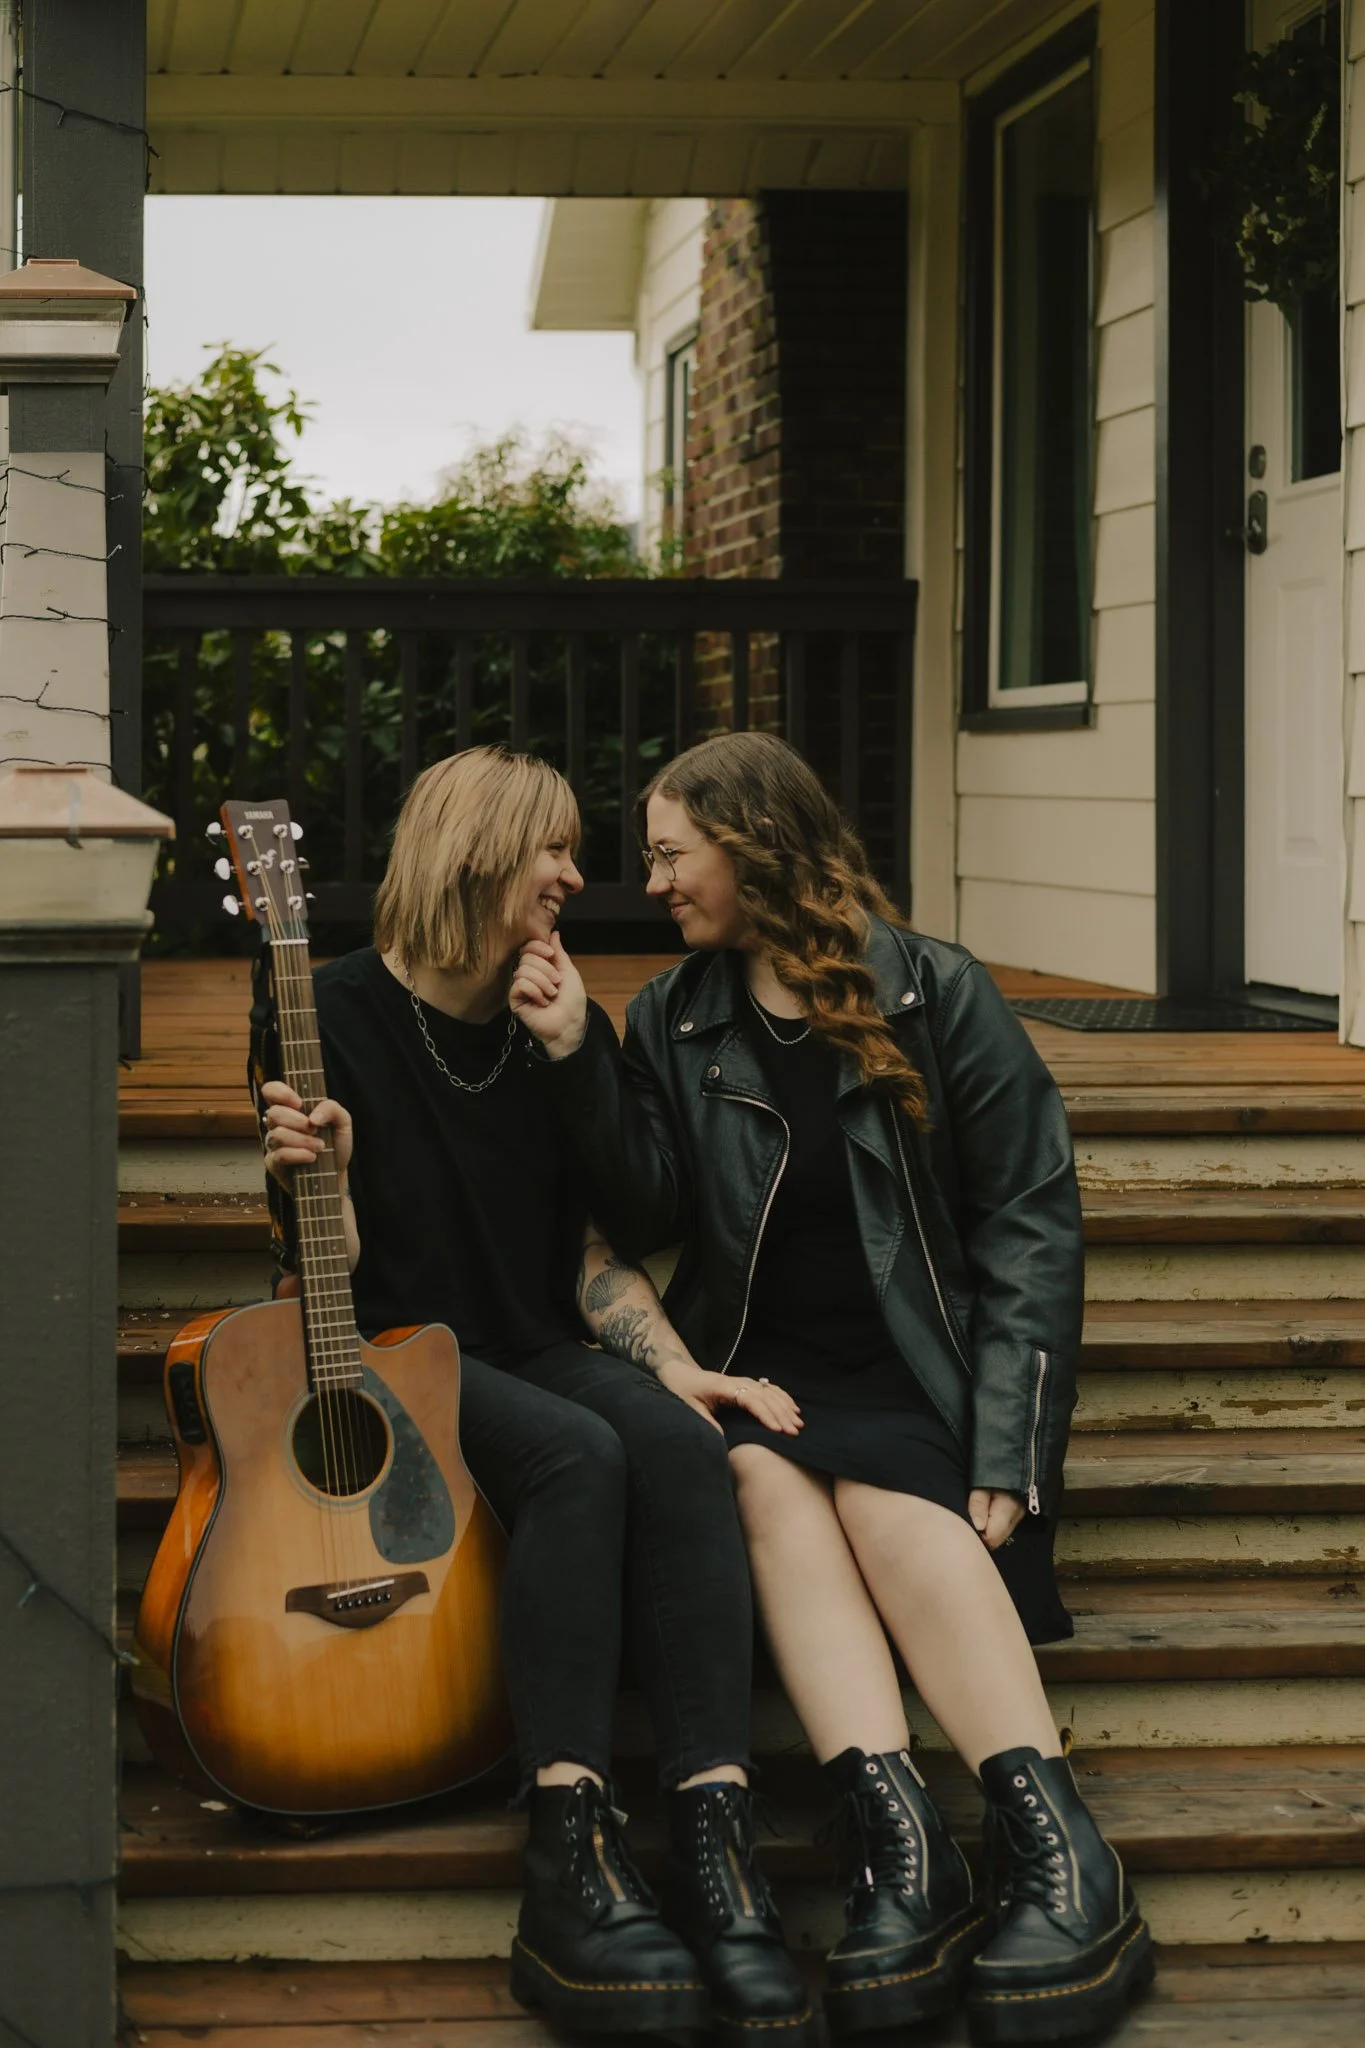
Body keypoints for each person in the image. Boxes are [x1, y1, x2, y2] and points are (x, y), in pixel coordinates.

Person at [513, 730, 1154, 2046]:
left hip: (918, 1374)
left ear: (749, 847)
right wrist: (582, 1051)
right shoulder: (678, 1021)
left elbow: (1031, 1217)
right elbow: (643, 1206)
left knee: (883, 1500)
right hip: (770, 1382)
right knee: (755, 1469)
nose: (653, 881)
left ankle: (1059, 1857)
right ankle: (906, 1853)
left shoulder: (935, 993)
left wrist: (1007, 1439)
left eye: (672, 853)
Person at [258, 745, 815, 2045]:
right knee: (578, 1457)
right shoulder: (325, 1008)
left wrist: (573, 1058)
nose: (577, 873)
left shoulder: (557, 1011)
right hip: (389, 1354)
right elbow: (314, 1276)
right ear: (478, 851)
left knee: (678, 1446)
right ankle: (567, 1846)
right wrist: (325, 1175)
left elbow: (630, 1223)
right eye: (553, 849)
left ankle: (718, 1846)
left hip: (533, 1338)